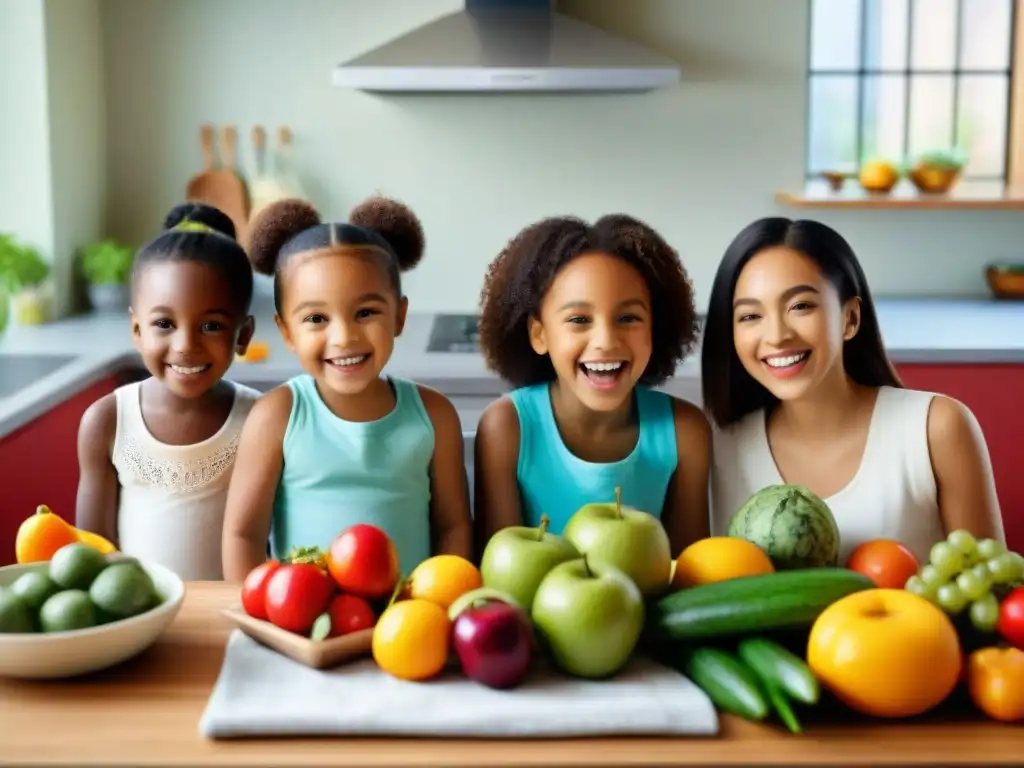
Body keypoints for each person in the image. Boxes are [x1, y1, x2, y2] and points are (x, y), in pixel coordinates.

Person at [701, 216, 1005, 565]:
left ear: (850, 319)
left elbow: (990, 592)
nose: (776, 335)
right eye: (750, 316)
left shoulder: (936, 428)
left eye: (801, 306)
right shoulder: (717, 446)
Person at [221, 195, 472, 582]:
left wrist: (441, 601)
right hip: (304, 627)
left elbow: (454, 527)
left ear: (400, 316)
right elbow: (243, 535)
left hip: (407, 625)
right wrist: (258, 619)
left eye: (366, 313)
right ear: (287, 330)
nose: (344, 337)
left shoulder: (434, 415)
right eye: (317, 318)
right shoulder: (276, 415)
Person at [473, 213, 711, 558]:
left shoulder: (685, 432)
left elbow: (691, 573)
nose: (605, 341)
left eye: (628, 318)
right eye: (579, 320)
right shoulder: (507, 428)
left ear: (655, 330)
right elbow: (499, 578)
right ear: (539, 334)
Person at [75, 203, 261, 581]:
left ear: (242, 335)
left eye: (211, 326)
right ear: (137, 330)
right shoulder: (107, 421)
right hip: (136, 622)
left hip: (226, 622)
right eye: (164, 323)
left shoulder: (260, 420)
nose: (185, 345)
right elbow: (92, 552)